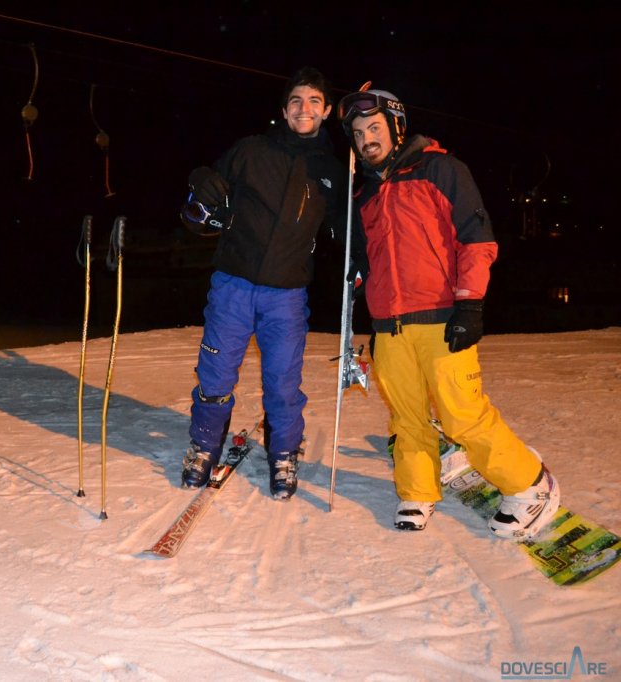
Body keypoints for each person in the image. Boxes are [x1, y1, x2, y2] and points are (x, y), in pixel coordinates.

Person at [337, 87, 560, 537]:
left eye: (374, 128)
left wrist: (469, 304)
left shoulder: (441, 169)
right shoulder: (362, 194)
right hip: (389, 326)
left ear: (397, 127)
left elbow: (476, 240)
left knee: (462, 414)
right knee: (407, 416)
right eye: (359, 133)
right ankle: (417, 490)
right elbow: (370, 259)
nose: (366, 139)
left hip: (440, 317)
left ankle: (530, 483)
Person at [179, 66, 345, 499]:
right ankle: (204, 445)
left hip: (286, 295)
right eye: (295, 101)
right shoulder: (250, 150)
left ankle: (284, 455)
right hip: (233, 284)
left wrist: (360, 263)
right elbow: (200, 215)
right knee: (215, 375)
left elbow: (348, 231)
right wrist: (199, 191)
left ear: (326, 111)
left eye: (313, 101)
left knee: (282, 383)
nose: (303, 108)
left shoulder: (333, 170)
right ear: (284, 110)